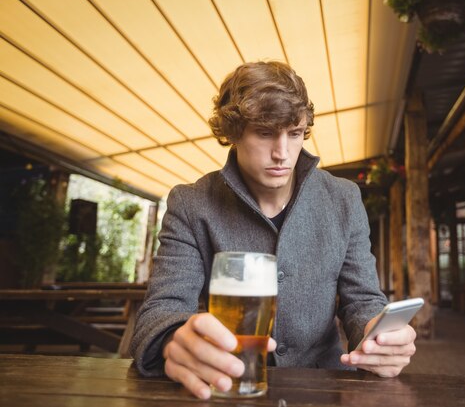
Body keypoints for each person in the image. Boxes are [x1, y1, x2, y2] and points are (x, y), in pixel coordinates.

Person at [130, 61, 416, 399]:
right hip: (224, 387)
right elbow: (161, 310)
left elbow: (363, 300)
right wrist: (172, 339)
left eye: (295, 134)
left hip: (323, 390)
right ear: (233, 132)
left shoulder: (344, 198)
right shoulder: (192, 204)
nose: (283, 153)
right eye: (265, 133)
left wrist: (376, 334)